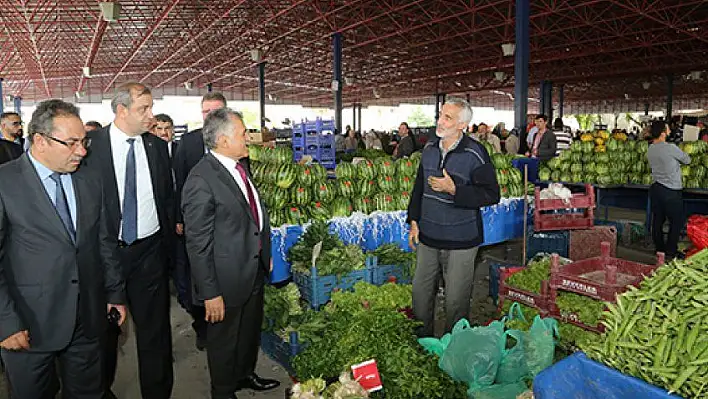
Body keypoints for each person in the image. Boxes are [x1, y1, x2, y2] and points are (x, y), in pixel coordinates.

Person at [0, 99, 126, 398]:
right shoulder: (5, 183)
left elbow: (103, 241)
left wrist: (115, 293)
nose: (82, 151)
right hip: (28, 323)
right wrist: (5, 322)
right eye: (71, 143)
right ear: (40, 141)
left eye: (83, 142)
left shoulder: (89, 178)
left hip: (88, 316)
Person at [83, 82, 174, 399]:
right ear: (121, 110)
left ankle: (158, 393)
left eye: (151, 108)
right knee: (104, 334)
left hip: (149, 252)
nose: (151, 116)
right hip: (106, 256)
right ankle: (100, 391)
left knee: (156, 334)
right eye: (143, 109)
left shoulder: (157, 147)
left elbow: (166, 199)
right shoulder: (89, 147)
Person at [182, 108, 280, 399]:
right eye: (242, 133)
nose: (248, 138)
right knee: (224, 341)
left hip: (252, 269)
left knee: (248, 331)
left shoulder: (238, 167)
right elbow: (197, 243)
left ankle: (245, 374)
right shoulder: (201, 179)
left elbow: (254, 217)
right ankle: (223, 391)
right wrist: (209, 292)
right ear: (223, 140)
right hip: (224, 279)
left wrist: (265, 253)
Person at [407, 98, 500, 337]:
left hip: (461, 239)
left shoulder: (475, 153)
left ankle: (452, 349)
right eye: (441, 115)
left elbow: (491, 194)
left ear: (462, 125)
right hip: (428, 235)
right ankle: (423, 345)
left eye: (448, 117)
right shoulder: (428, 149)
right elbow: (419, 187)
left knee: (455, 302)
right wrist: (414, 221)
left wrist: (455, 190)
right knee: (420, 295)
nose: (440, 121)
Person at [171, 91, 227, 350]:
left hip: (226, 223)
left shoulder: (233, 141)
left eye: (216, 111)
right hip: (197, 221)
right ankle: (201, 325)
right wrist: (180, 217)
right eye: (206, 112)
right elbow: (179, 181)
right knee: (199, 273)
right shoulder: (189, 142)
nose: (211, 116)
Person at [647, 120, 691, 260]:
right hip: (671, 190)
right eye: (667, 129)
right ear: (662, 133)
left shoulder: (650, 149)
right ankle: (671, 252)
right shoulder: (670, 148)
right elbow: (687, 160)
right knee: (676, 222)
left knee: (658, 221)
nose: (670, 131)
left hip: (656, 189)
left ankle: (659, 250)